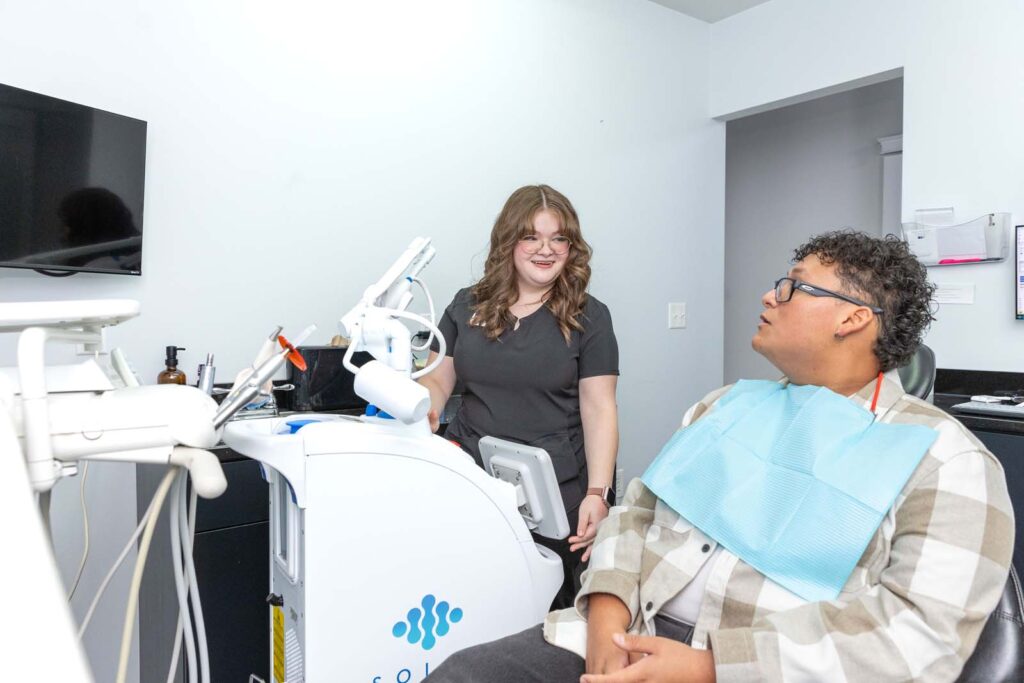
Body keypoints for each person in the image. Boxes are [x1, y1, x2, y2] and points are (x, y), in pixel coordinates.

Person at [427, 230, 1014, 683]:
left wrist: (710, 668)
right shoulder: (725, 406)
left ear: (853, 318)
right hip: (624, 632)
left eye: (794, 286)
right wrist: (606, 620)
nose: (769, 295)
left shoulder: (945, 458)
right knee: (463, 675)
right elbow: (634, 517)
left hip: (760, 667)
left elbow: (921, 637)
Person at [419, 184, 619, 609]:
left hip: (555, 490)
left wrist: (598, 493)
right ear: (509, 241)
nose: (546, 250)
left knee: (547, 608)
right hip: (473, 477)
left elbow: (600, 408)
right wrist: (426, 408)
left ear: (571, 246)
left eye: (558, 238)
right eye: (531, 236)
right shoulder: (467, 305)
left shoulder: (589, 316)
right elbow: (436, 380)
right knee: (475, 599)